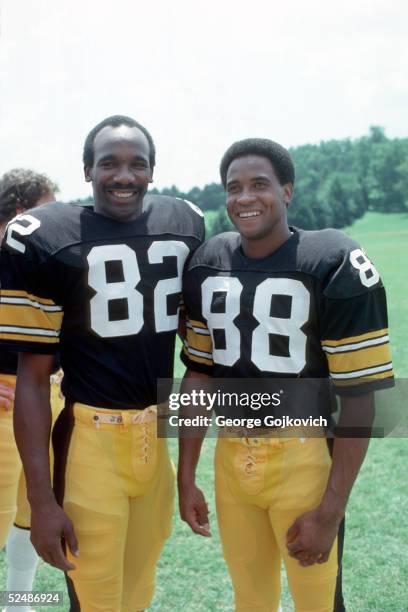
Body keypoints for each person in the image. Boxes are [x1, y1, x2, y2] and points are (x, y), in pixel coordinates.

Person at [178, 138, 394, 611]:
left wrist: (331, 508)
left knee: (316, 601)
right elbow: (198, 374)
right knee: (249, 600)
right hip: (232, 456)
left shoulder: (331, 259)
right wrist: (186, 473)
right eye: (234, 187)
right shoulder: (209, 262)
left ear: (288, 191)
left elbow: (361, 399)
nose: (245, 197)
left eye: (260, 184)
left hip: (305, 458)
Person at [0, 116, 204, 611]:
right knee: (95, 600)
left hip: (153, 442)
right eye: (109, 162)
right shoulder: (45, 235)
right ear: (87, 168)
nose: (123, 175)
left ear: (153, 171)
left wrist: (186, 475)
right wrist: (43, 500)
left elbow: (200, 363)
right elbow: (32, 376)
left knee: (137, 595)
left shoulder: (184, 224)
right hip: (89, 440)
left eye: (137, 164)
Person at [0, 169, 61, 612]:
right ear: (22, 214)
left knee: (30, 517)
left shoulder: (41, 265)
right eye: (48, 208)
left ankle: (18, 605)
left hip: (45, 399)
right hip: (4, 405)